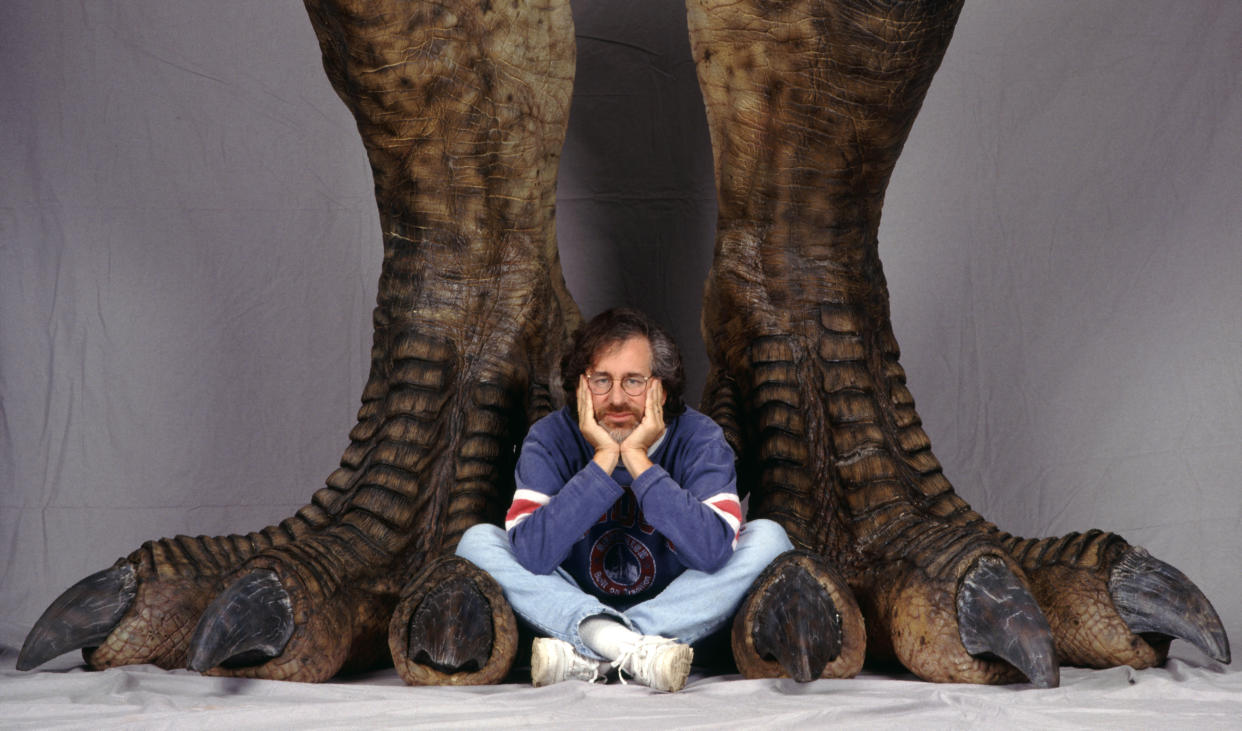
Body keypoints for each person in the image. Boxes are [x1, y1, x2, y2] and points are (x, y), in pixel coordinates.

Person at [456, 308, 793, 692]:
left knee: (768, 537)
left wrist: (638, 461)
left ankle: (596, 654)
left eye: (634, 381)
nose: (616, 398)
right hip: (570, 598)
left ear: (661, 390)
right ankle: (633, 651)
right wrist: (601, 463)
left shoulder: (700, 438)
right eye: (601, 380)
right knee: (478, 541)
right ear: (580, 387)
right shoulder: (549, 439)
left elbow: (713, 550)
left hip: (676, 603)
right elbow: (532, 553)